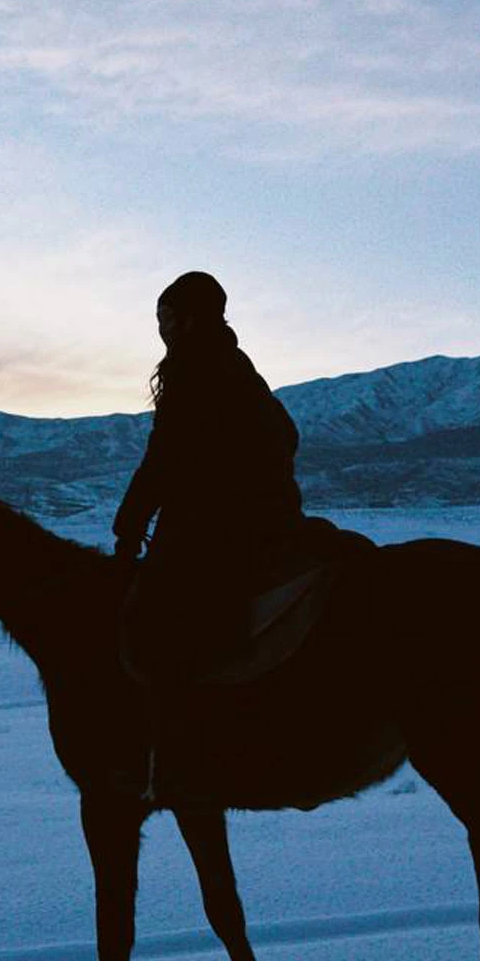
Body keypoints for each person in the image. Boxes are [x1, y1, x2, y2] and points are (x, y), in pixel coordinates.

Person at [114, 271, 303, 684]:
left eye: (166, 319)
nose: (161, 330)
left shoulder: (193, 370)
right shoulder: (236, 364)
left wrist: (129, 525)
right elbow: (287, 435)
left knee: (156, 622)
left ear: (191, 319)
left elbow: (163, 458)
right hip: (272, 512)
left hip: (222, 523)